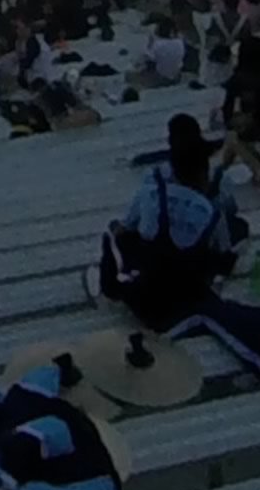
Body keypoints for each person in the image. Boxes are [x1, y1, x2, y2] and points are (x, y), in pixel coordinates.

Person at [95, 116, 238, 331]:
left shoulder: (151, 190)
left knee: (122, 235)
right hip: (187, 300)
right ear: (203, 172)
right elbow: (226, 257)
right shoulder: (211, 212)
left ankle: (113, 285)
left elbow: (125, 228)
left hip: (146, 301)